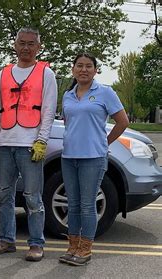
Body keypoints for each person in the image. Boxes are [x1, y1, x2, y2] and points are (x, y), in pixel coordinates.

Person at [0, 27, 57, 262]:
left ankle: (36, 243)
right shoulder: (3, 74)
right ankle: (7, 239)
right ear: (15, 45)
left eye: (31, 44)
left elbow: (48, 111)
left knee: (33, 197)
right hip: (5, 143)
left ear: (38, 47)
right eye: (22, 43)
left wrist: (42, 140)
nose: (26, 48)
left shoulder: (46, 74)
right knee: (4, 194)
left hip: (30, 145)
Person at [59, 53, 128, 266]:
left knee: (88, 205)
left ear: (95, 70)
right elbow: (69, 123)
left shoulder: (105, 92)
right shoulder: (68, 95)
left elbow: (122, 121)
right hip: (69, 157)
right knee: (74, 204)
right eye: (79, 66)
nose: (84, 69)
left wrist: (104, 142)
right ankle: (72, 247)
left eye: (89, 66)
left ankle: (85, 249)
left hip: (93, 157)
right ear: (73, 69)